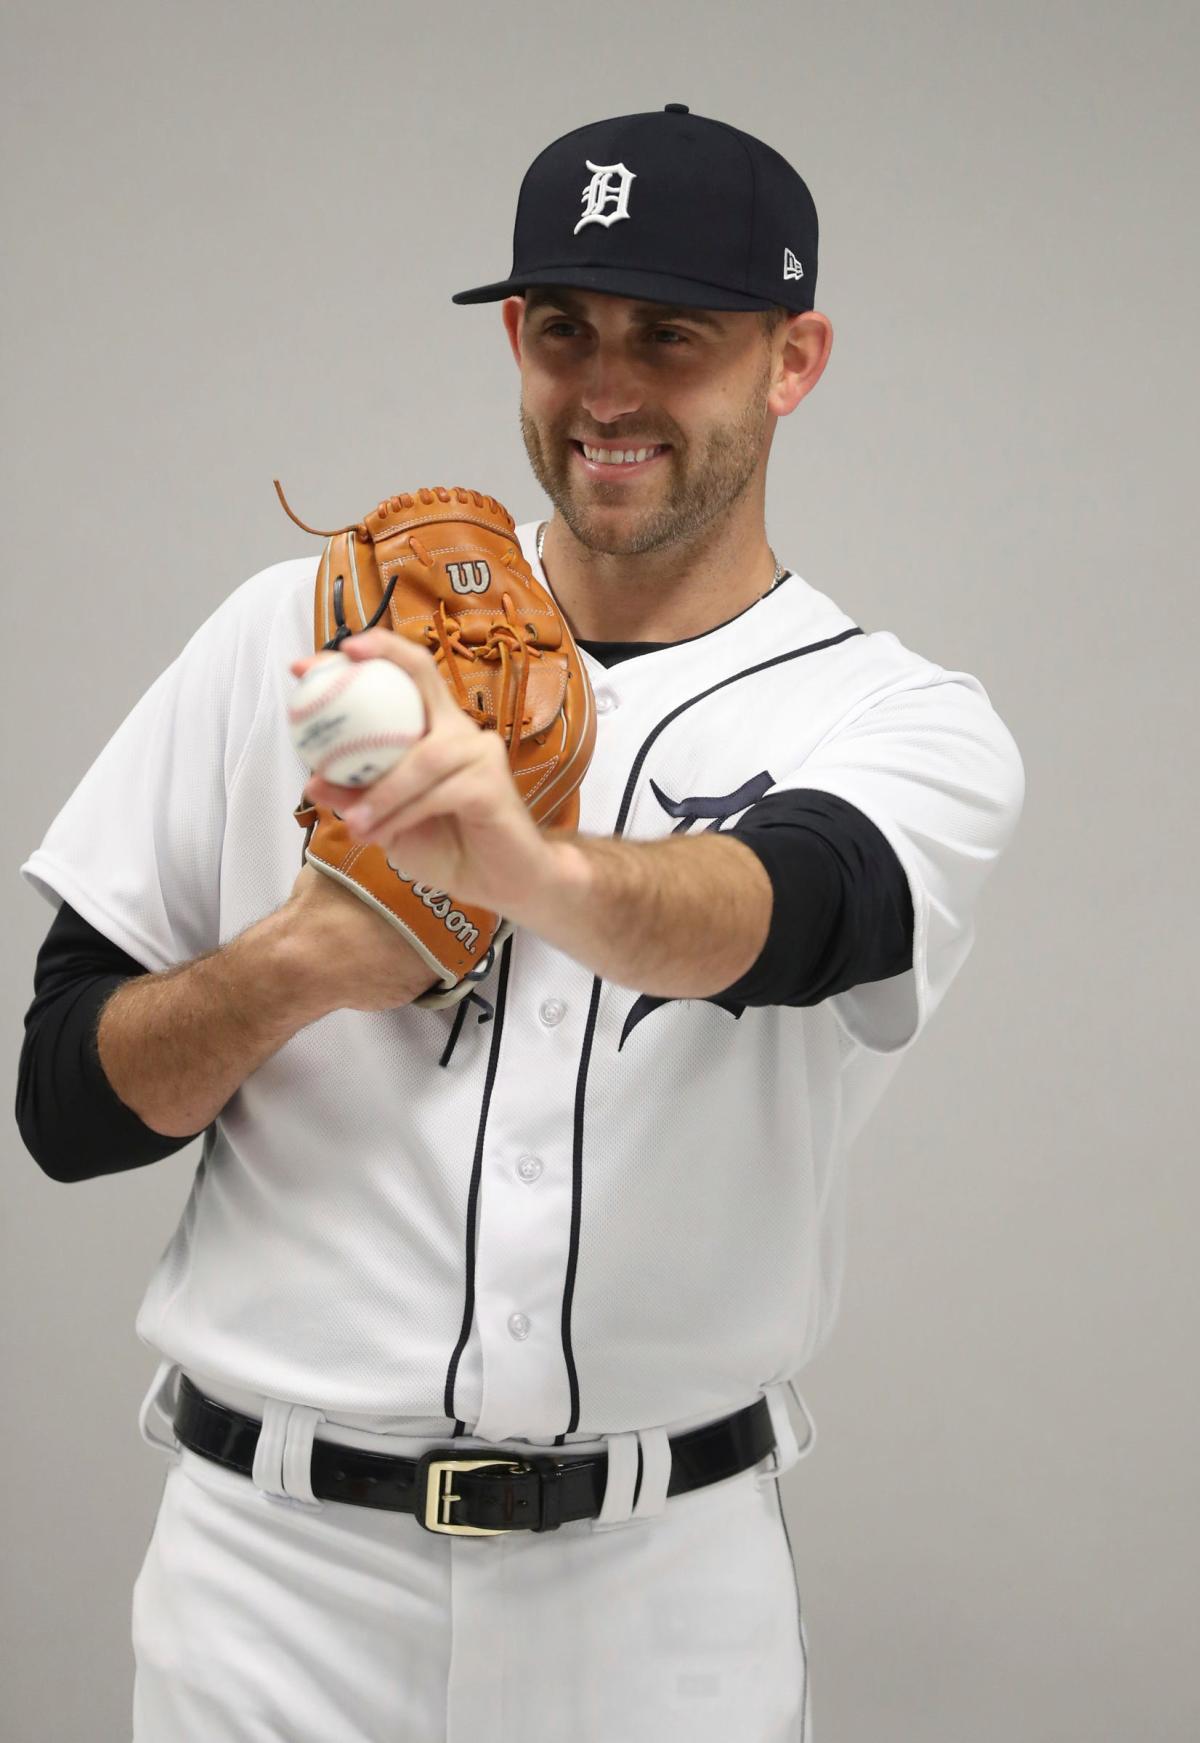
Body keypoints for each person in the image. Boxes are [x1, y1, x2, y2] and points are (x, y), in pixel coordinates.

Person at [15, 104, 1026, 1743]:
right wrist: (299, 962)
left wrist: (515, 866)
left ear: (794, 360)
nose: (607, 390)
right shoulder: (310, 631)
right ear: (516, 338)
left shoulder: (900, 721)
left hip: (657, 1605)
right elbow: (62, 1104)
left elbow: (791, 911)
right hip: (270, 1588)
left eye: (672, 335)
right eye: (565, 330)